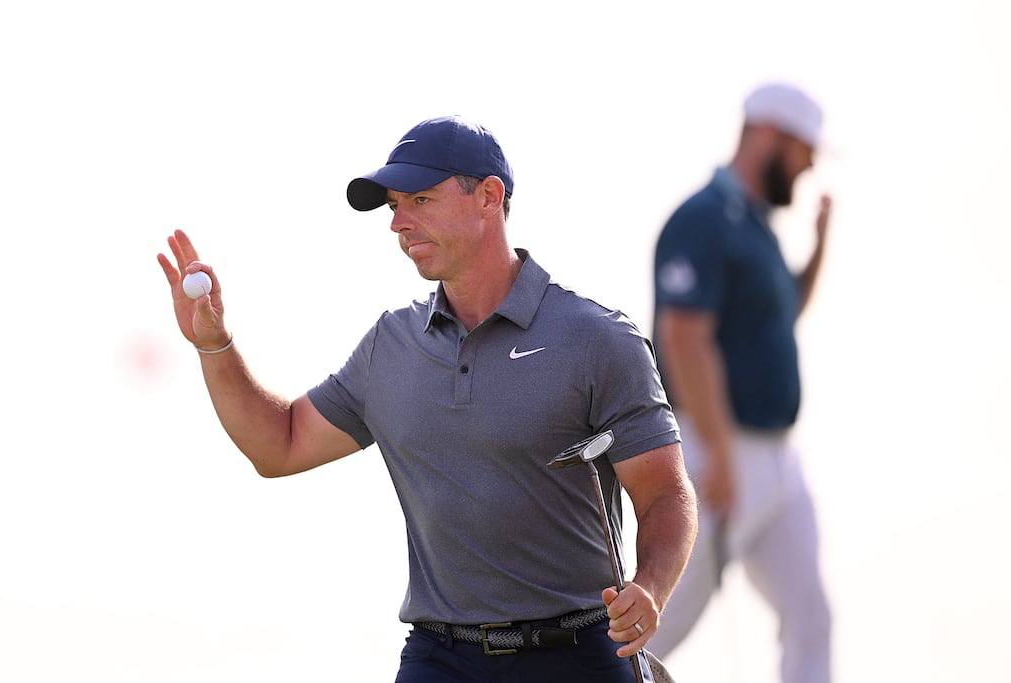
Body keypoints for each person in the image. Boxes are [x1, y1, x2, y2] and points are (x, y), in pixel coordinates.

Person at [158, 115, 698, 683]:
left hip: (580, 653)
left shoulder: (597, 339)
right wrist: (214, 345)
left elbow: (665, 494)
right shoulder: (390, 345)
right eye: (394, 206)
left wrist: (651, 589)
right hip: (441, 658)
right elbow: (280, 446)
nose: (399, 222)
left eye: (420, 199)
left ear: (489, 197)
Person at [645, 84, 833, 683]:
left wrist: (820, 247)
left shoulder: (756, 226)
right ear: (771, 135)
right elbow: (683, 338)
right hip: (718, 452)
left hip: (776, 459)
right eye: (805, 150)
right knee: (658, 623)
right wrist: (722, 454)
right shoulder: (704, 219)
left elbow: (780, 313)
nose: (809, 166)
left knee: (810, 616)